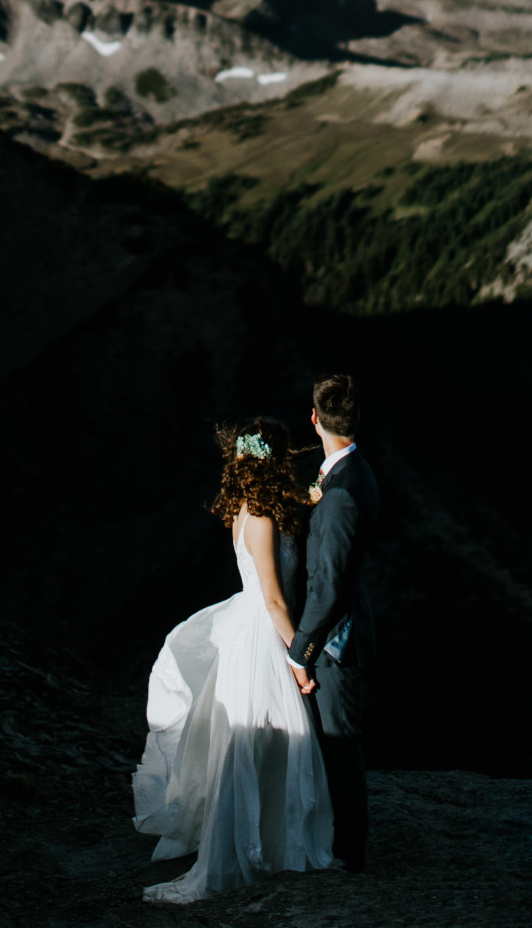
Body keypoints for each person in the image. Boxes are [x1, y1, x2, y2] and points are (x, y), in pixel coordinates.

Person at [131, 416, 336, 903]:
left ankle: (262, 836)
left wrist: (312, 496)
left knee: (252, 742)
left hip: (244, 628)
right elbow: (272, 598)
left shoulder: (246, 510)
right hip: (260, 633)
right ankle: (260, 844)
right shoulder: (262, 516)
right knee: (263, 741)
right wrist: (299, 655)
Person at [287, 373, 380, 872]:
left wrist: (299, 649)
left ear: (315, 419)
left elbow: (329, 586)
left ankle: (349, 852)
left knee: (341, 748)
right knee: (333, 745)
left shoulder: (342, 491)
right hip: (334, 635)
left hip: (335, 644)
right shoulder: (350, 474)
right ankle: (338, 841)